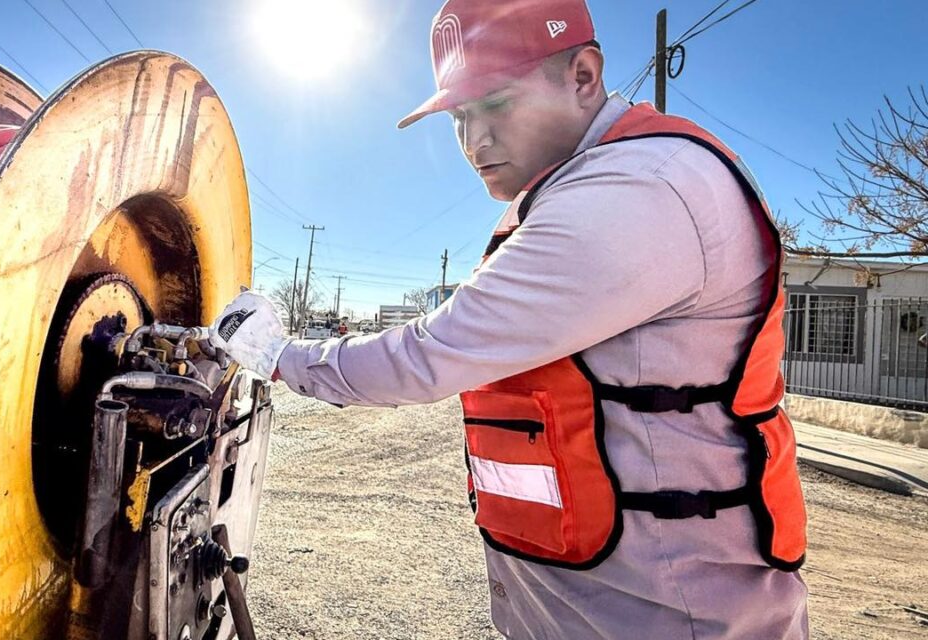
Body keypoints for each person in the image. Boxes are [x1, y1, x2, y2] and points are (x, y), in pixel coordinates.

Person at [208, 0, 809, 638]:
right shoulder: (579, 185)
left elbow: (427, 355)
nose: (473, 141)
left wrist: (278, 352)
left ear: (583, 75)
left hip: (669, 617)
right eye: (459, 116)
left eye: (495, 104)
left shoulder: (643, 188)